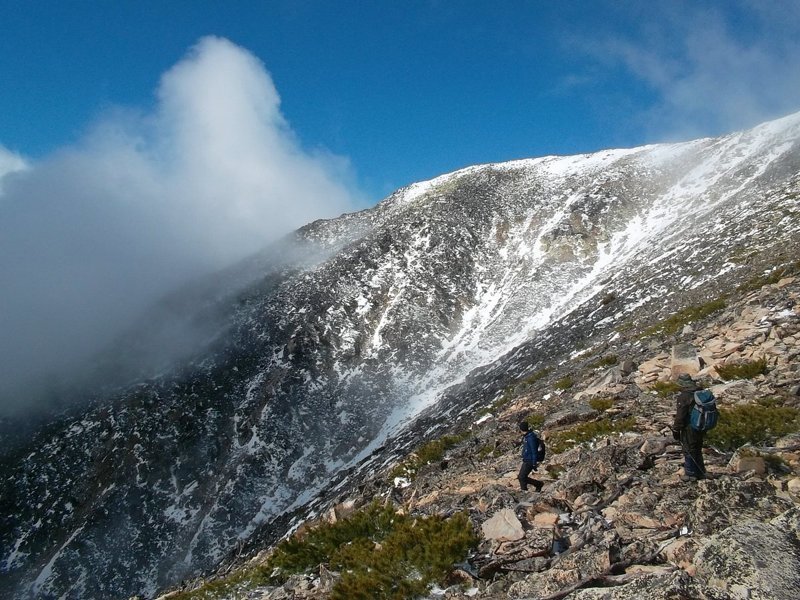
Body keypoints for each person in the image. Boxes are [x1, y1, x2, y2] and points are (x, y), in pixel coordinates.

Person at [672, 373, 706, 480]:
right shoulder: (700, 392)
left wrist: (676, 429)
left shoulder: (684, 396)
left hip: (689, 427)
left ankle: (690, 473)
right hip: (701, 425)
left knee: (689, 449)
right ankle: (701, 471)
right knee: (697, 448)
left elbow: (680, 416)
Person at [518, 421, 544, 491]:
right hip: (527, 459)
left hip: (530, 460)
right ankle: (537, 484)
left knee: (522, 477)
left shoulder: (531, 437)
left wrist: (534, 463)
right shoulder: (528, 436)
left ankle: (525, 492)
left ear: (521, 429)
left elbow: (534, 451)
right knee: (522, 477)